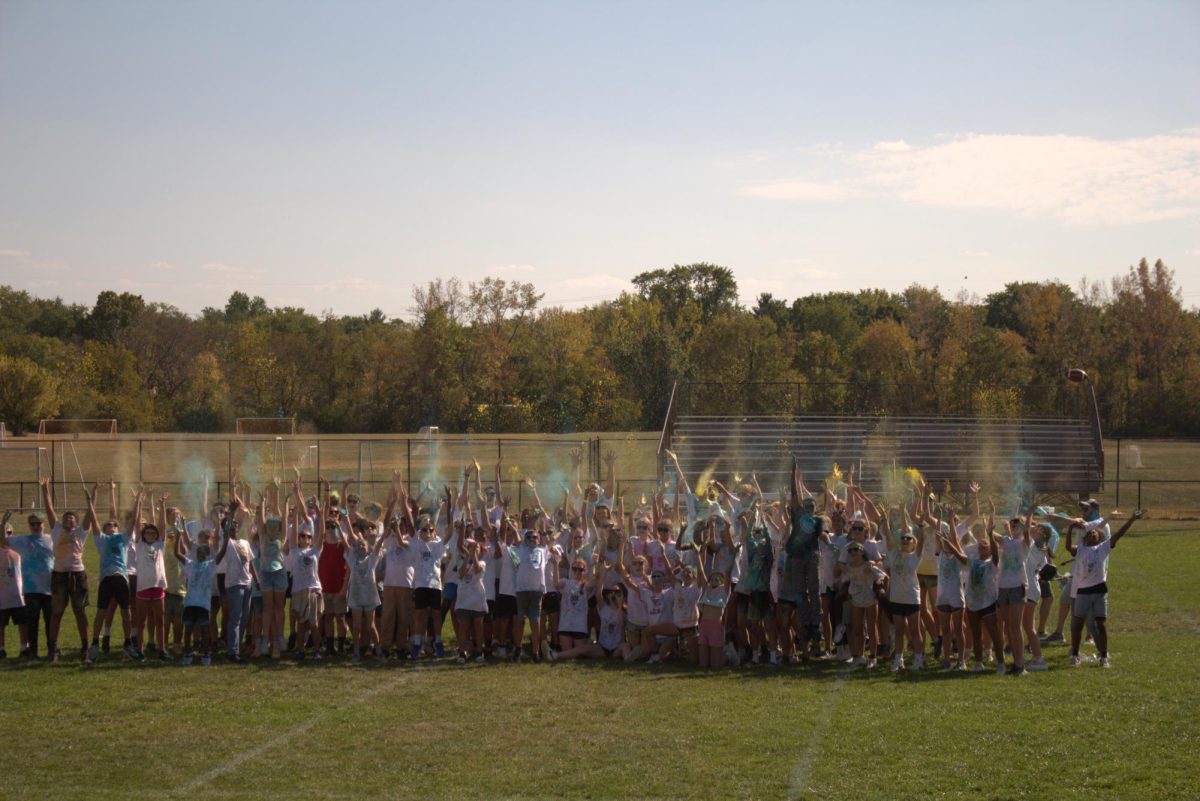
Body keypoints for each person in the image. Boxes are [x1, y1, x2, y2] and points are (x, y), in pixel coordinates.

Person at [1066, 509, 1144, 668]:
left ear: (1100, 537)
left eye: (1096, 533)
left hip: (1100, 591)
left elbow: (1120, 534)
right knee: (1078, 624)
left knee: (1101, 624)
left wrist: (1132, 519)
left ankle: (1103, 656)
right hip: (1082, 591)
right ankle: (1075, 654)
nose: (1093, 533)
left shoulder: (1104, 548)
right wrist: (1069, 529)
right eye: (1090, 533)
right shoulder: (1080, 549)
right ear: (1085, 538)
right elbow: (1068, 546)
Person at [41, 479, 92, 663]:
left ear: (76, 522)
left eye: (72, 518)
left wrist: (91, 497)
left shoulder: (81, 532)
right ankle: (53, 649)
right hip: (60, 575)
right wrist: (45, 489)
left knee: (80, 612)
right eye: (66, 518)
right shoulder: (56, 529)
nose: (68, 519)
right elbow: (49, 510)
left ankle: (85, 649)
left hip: (78, 575)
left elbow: (89, 516)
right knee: (57, 612)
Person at [86, 481, 133, 662]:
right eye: (108, 525)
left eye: (114, 525)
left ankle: (128, 643)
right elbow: (94, 519)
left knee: (126, 612)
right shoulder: (101, 539)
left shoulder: (123, 537)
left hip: (121, 578)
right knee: (101, 612)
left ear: (117, 528)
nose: (111, 526)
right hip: (106, 580)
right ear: (105, 529)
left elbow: (134, 520)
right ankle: (94, 644)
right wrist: (91, 496)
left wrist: (137, 502)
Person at [339, 509, 385, 663]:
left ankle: (378, 650)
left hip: (370, 596)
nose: (360, 547)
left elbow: (378, 545)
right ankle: (356, 652)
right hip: (356, 596)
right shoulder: (352, 560)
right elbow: (347, 542)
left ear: (367, 548)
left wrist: (386, 532)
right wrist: (343, 522)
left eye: (362, 545)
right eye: (358, 546)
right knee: (357, 626)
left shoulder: (372, 560)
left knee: (371, 626)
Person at [8, 511, 53, 659]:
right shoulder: (22, 540)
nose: (35, 526)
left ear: (43, 524)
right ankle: (32, 652)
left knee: (50, 621)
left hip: (49, 588)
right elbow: (2, 541)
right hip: (31, 589)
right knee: (32, 623)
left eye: (38, 523)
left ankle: (52, 651)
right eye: (32, 524)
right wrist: (3, 524)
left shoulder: (51, 540)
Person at [174, 525, 218, 666]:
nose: (200, 553)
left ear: (207, 554)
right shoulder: (190, 564)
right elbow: (176, 553)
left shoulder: (211, 565)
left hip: (203, 604)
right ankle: (187, 653)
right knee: (188, 630)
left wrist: (227, 535)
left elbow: (221, 553)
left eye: (204, 552)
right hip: (190, 603)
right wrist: (178, 536)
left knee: (205, 630)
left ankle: (205, 654)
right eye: (199, 551)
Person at [0, 514, 25, 659]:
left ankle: (24, 647)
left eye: (9, 533)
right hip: (2, 595)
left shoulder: (17, 551)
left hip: (17, 593)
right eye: (3, 532)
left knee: (22, 622)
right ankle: (1, 649)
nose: (5, 536)